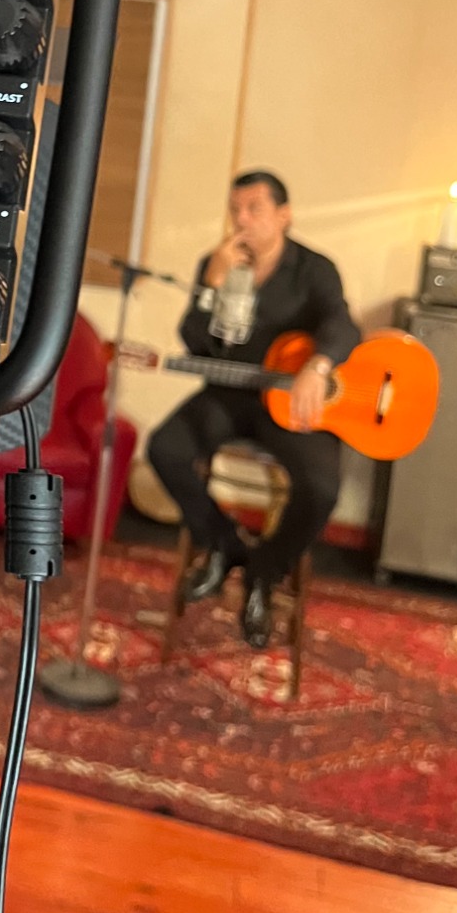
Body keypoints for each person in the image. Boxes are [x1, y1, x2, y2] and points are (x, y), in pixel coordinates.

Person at [146, 170, 359, 651]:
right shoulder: (217, 264)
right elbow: (195, 341)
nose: (241, 220)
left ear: (283, 215)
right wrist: (211, 284)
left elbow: (343, 325)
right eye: (235, 210)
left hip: (288, 402)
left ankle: (265, 571)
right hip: (229, 396)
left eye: (253, 209)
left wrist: (318, 366)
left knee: (322, 488)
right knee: (165, 449)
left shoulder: (314, 269)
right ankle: (224, 545)